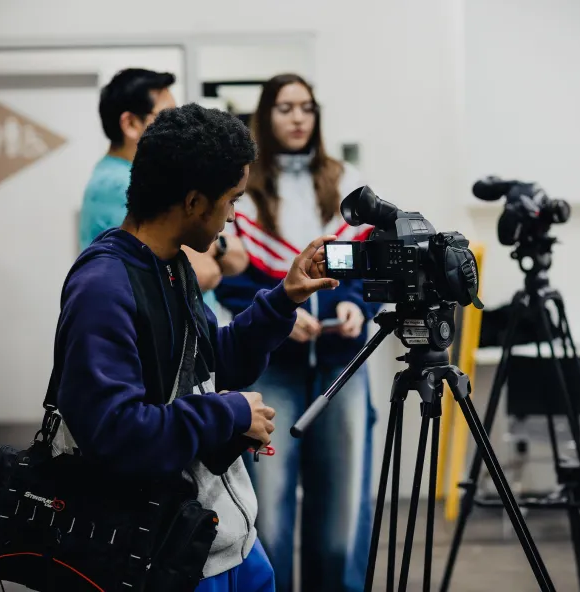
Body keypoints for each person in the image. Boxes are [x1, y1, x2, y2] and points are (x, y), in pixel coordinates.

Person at [52, 103, 340, 592]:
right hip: (163, 561)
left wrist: (283, 299)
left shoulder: (171, 265)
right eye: (231, 200)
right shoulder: (103, 287)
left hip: (225, 543)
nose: (232, 216)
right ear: (193, 202)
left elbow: (214, 364)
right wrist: (228, 413)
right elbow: (116, 433)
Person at [215, 73, 378, 592]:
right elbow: (232, 278)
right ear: (266, 115)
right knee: (270, 519)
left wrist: (355, 306)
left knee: (341, 520)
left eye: (306, 107)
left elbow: (367, 265)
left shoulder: (345, 180)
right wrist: (280, 312)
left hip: (341, 364)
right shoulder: (244, 186)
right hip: (272, 369)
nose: (297, 117)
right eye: (285, 108)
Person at [79, 68, 247, 304]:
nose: (178, 128)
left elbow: (239, 260)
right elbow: (203, 273)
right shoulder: (119, 184)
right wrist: (217, 249)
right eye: (166, 117)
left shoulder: (127, 175)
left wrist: (214, 246)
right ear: (130, 123)